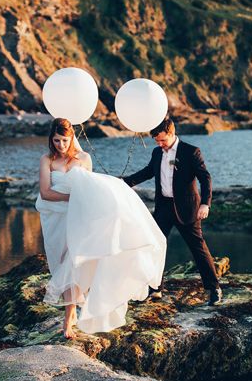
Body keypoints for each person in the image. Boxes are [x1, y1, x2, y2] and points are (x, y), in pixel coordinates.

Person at [36, 118, 166, 338]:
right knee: (61, 263)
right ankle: (75, 310)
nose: (60, 145)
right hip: (55, 217)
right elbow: (46, 192)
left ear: (72, 138)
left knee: (74, 262)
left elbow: (91, 190)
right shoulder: (47, 160)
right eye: (56, 140)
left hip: (80, 217)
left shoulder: (84, 158)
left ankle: (69, 320)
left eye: (64, 140)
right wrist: (72, 197)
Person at [122, 116, 222, 305]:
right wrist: (123, 183)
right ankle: (155, 289)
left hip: (188, 208)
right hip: (164, 207)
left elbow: (205, 179)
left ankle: (214, 288)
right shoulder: (157, 153)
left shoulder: (191, 152)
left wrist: (205, 204)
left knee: (198, 248)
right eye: (157, 141)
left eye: (163, 140)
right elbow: (147, 172)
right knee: (154, 247)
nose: (160, 144)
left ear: (172, 133)